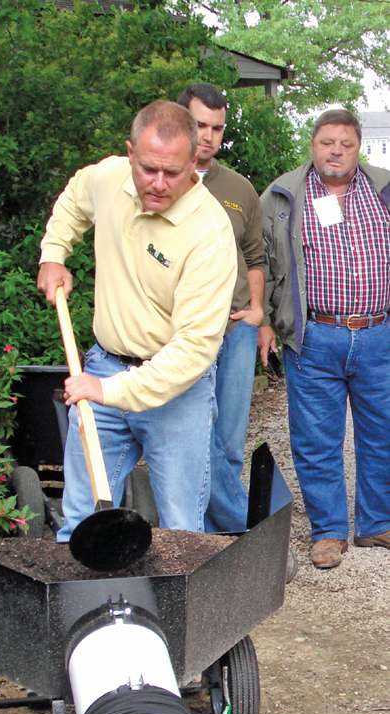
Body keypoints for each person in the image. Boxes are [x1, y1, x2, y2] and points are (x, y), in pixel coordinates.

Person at [37, 101, 237, 540]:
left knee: (181, 529)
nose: (159, 184)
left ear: (194, 165)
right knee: (81, 522)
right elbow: (74, 199)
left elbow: (192, 352)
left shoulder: (210, 235)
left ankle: (174, 608)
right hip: (104, 363)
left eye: (173, 172)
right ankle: (85, 608)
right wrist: (54, 253)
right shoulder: (110, 178)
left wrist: (106, 391)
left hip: (176, 391)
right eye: (148, 169)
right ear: (130, 153)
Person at [259, 109, 390, 569]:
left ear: (358, 148)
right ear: (312, 145)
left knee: (383, 433)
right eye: (327, 142)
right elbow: (263, 262)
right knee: (316, 438)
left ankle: (376, 524)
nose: (336, 151)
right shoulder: (281, 195)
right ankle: (329, 530)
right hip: (315, 334)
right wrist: (267, 322)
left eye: (347, 144)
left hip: (379, 334)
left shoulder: (384, 190)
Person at [178, 83, 265, 533]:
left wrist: (256, 310)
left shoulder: (238, 188)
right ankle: (243, 526)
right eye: (199, 126)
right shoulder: (164, 180)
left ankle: (217, 538)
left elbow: (254, 255)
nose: (208, 136)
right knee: (193, 437)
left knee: (229, 441)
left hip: (235, 330)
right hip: (186, 332)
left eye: (216, 128)